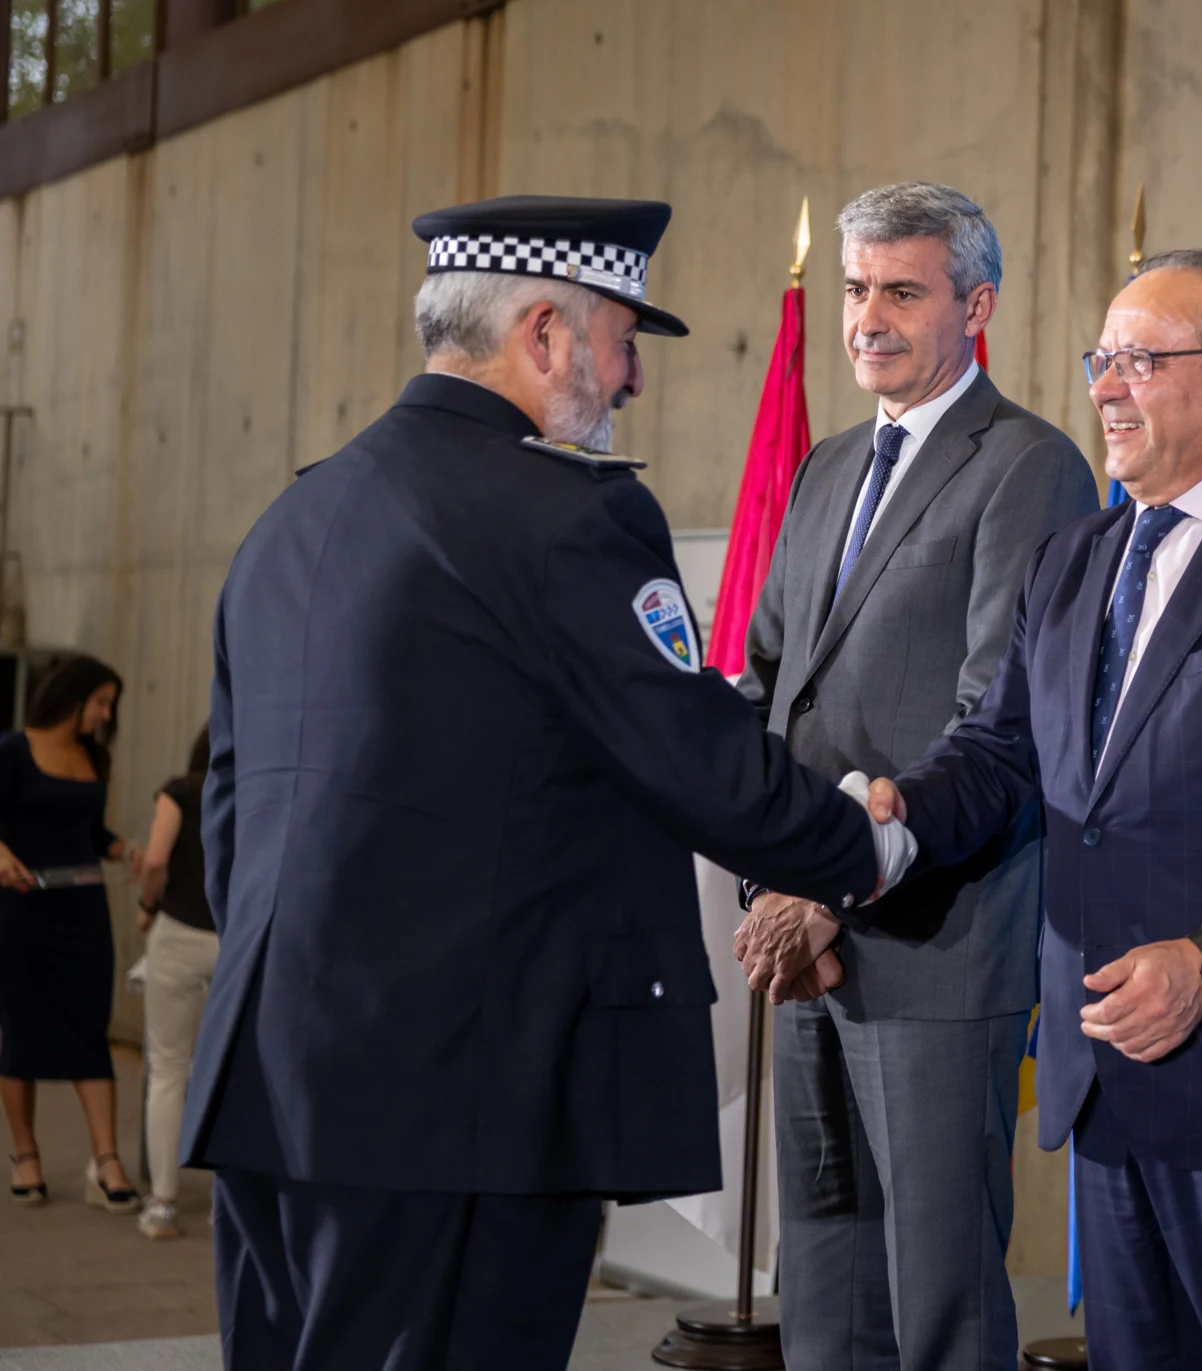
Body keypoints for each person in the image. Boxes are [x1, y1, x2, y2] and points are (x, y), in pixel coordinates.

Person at [182, 197, 894, 1371]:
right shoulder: (564, 515)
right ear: (546, 334)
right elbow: (689, 755)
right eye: (624, 339)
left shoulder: (293, 518)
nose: (633, 378)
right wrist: (866, 845)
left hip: (273, 1070)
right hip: (465, 1094)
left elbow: (232, 810)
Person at [806, 249, 1202, 1370]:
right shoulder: (1072, 559)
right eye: (1101, 359)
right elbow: (999, 755)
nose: (1103, 387)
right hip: (1105, 1085)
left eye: (1139, 360)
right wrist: (890, 824)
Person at [726, 182, 1093, 1371]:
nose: (866, 318)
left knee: (940, 1299)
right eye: (853, 288)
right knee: (826, 1281)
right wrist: (771, 881)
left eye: (900, 290)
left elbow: (1001, 721)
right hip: (804, 940)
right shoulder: (827, 467)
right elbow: (770, 686)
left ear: (974, 307)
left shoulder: (1029, 467)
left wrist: (826, 887)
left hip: (937, 939)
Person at [0, 655, 139, 1213]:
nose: (106, 715)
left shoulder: (93, 756)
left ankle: (106, 1162)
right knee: (22, 1031)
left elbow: (91, 833)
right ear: (72, 697)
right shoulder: (13, 750)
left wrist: (128, 849)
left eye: (110, 705)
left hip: (84, 911)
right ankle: (25, 1155)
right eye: (101, 702)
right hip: (23, 910)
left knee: (89, 1027)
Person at [134, 722, 217, 1240]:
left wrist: (146, 905)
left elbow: (156, 859)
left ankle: (163, 1203)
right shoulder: (257, 792)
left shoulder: (182, 791)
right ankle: (225, 1203)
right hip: (236, 941)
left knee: (168, 1069)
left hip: (179, 936)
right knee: (233, 1070)